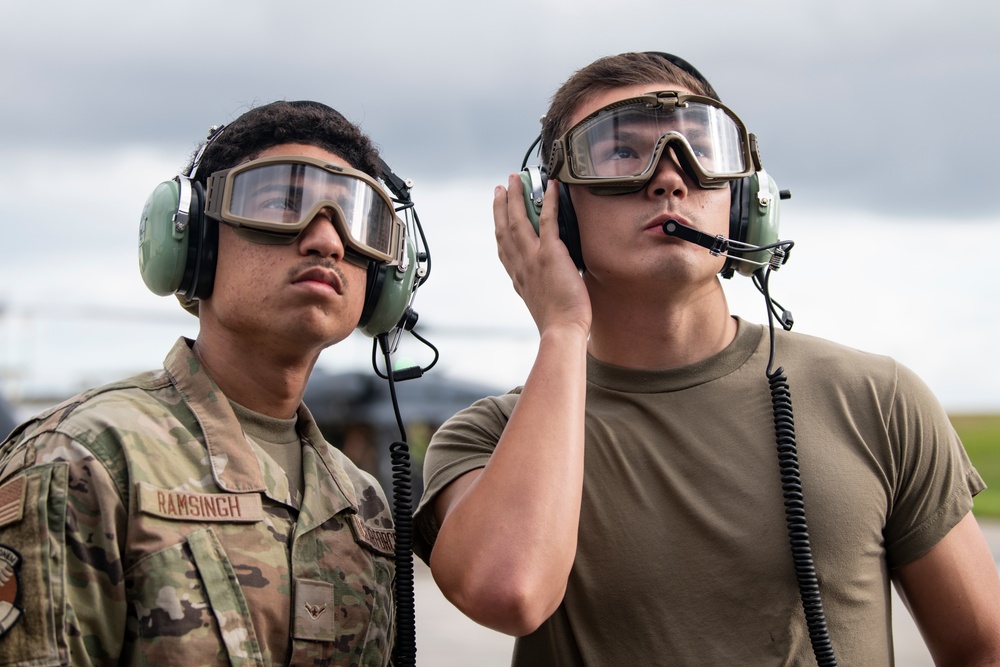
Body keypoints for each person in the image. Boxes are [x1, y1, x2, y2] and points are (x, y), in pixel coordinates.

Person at [413, 52, 1000, 665]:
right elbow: (508, 591)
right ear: (550, 211)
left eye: (701, 149)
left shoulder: (878, 400)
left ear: (745, 201)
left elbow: (982, 647)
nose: (671, 179)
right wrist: (562, 328)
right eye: (621, 152)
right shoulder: (489, 439)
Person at [0, 100, 427, 666]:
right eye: (280, 202)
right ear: (193, 242)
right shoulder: (87, 458)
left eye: (357, 220)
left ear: (382, 283)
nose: (326, 240)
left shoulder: (364, 505)